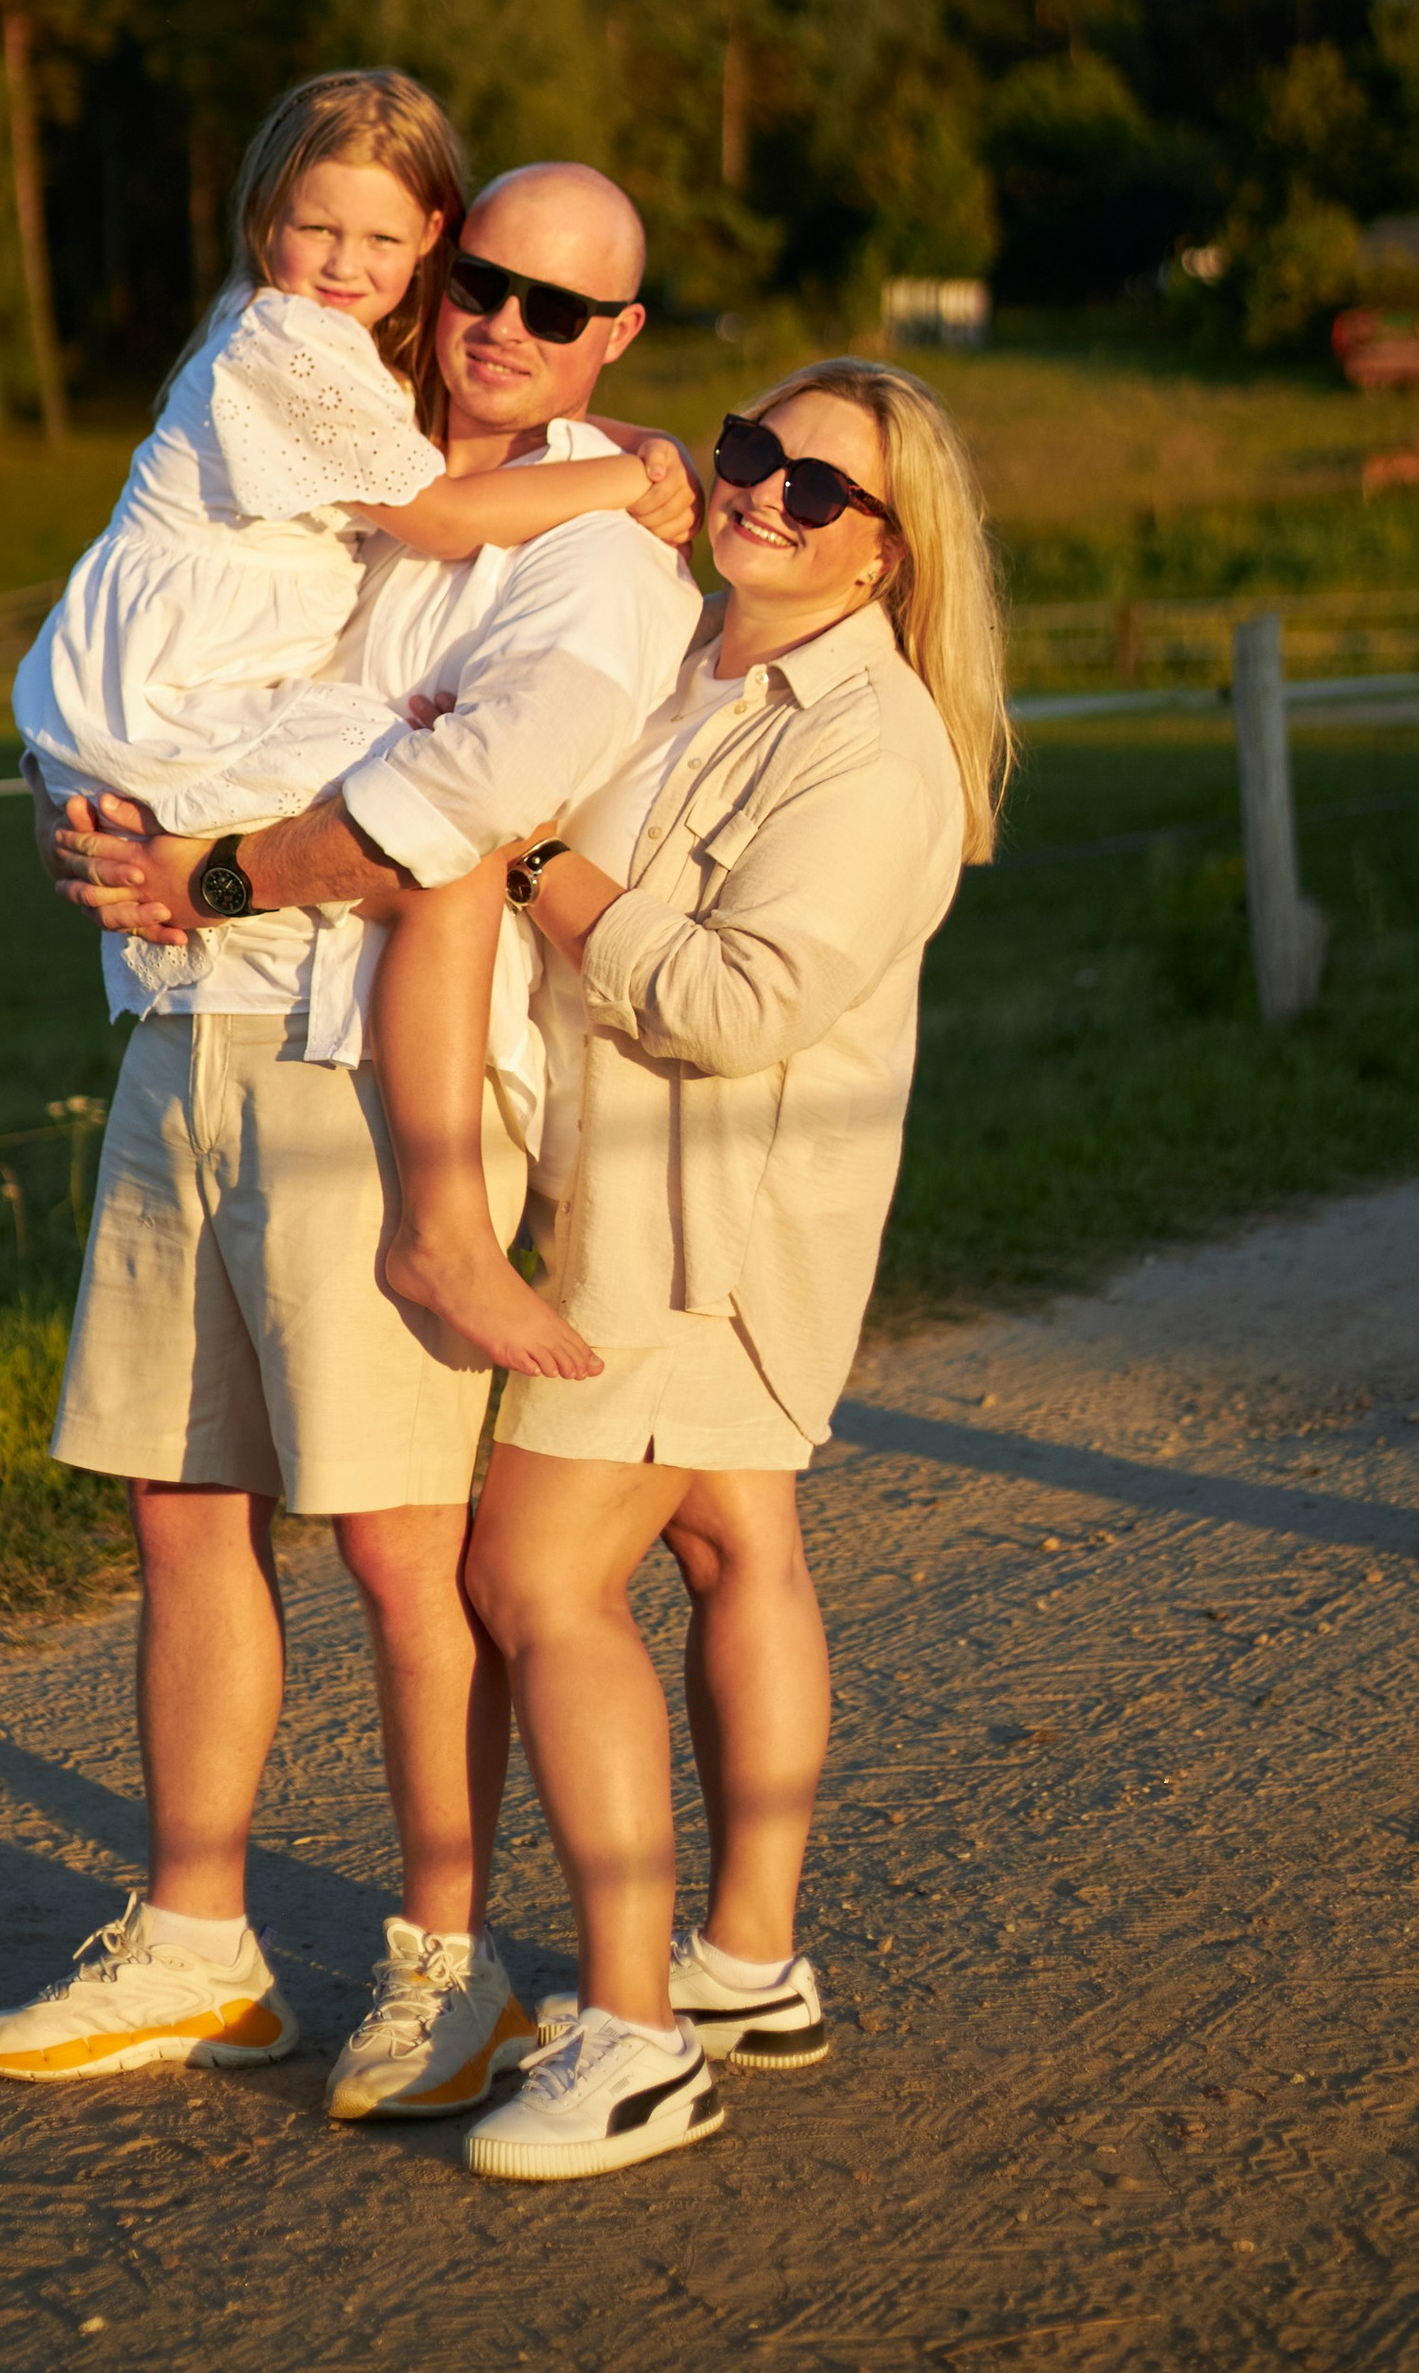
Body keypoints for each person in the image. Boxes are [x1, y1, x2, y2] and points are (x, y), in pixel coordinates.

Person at [0, 160, 702, 2124]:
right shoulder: (331, 449)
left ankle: (443, 1973)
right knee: (177, 1499)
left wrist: (209, 854)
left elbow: (477, 781)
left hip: (371, 1071)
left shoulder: (599, 553)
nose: (501, 321)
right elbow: (168, 667)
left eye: (557, 306)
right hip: (185, 1031)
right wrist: (103, 823)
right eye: (482, 278)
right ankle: (198, 1946)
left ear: (614, 339)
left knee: (394, 1544)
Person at [453, 359, 1011, 2183]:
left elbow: (742, 997)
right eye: (755, 452)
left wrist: (538, 867)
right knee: (731, 1534)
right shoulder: (703, 663)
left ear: (889, 555)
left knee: (531, 1573)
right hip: (624, 1195)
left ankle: (633, 2037)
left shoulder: (877, 743)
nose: (763, 493)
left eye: (819, 488)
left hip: (697, 1229)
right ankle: (748, 1960)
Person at [15, 66, 695, 1377]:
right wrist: (632, 468)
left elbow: (468, 769)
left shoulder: (355, 375)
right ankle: (443, 1234)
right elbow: (439, 507)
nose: (347, 262)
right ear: (268, 215)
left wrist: (634, 449)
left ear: (422, 238)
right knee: (442, 832)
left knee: (448, 819)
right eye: (483, 289)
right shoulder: (301, 347)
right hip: (179, 761)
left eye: (384, 240)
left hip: (219, 844)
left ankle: (444, 1224)